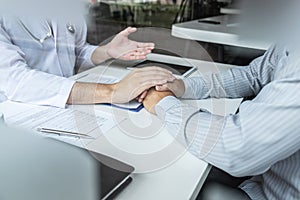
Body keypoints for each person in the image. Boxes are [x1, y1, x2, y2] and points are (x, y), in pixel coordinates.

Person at [142, 44, 300, 199]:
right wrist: (183, 86)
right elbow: (255, 74)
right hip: (264, 179)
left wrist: (164, 104)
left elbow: (238, 148)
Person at [0, 16, 175, 108]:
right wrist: (112, 91)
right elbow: (15, 80)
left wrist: (107, 51)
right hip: (17, 113)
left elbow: (76, 51)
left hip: (69, 105)